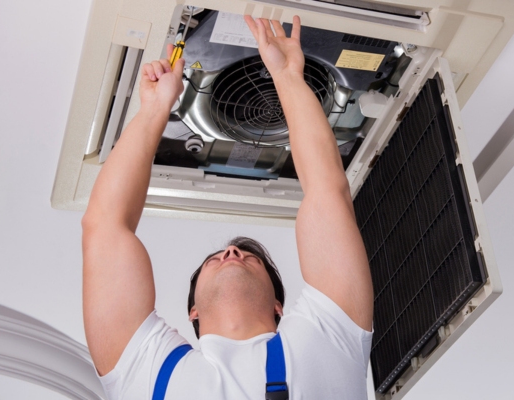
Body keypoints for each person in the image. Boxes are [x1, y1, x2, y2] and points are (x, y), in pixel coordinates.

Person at [82, 15, 374, 399]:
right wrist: (287, 76)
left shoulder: (143, 374)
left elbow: (104, 226)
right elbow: (326, 191)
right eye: (241, 255)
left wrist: (154, 109)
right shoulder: (332, 344)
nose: (232, 251)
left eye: (223, 256)